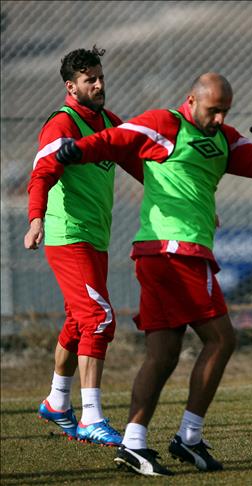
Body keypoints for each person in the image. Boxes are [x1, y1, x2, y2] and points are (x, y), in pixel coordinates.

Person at [55, 73, 252, 475]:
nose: (219, 118)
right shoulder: (165, 123)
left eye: (225, 111)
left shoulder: (223, 138)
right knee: (221, 340)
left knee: (162, 355)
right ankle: (189, 437)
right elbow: (116, 138)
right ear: (191, 100)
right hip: (175, 253)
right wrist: (77, 150)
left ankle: (133, 444)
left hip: (162, 257)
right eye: (213, 109)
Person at [25, 46, 142, 447]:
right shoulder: (62, 124)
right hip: (68, 235)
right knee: (99, 318)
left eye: (100, 77)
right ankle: (92, 417)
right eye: (89, 79)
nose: (98, 84)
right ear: (70, 87)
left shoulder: (109, 122)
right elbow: (41, 174)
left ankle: (57, 402)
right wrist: (36, 219)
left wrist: (182, 201)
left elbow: (139, 162)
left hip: (95, 237)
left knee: (79, 321)